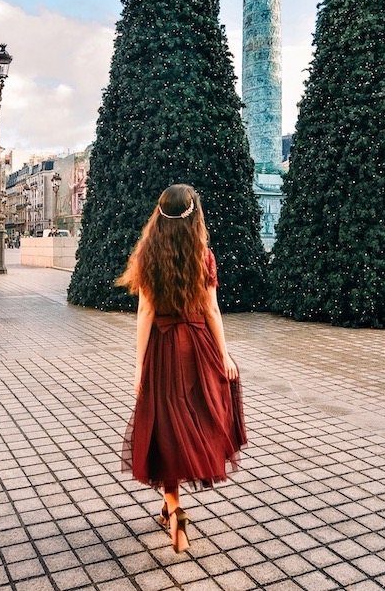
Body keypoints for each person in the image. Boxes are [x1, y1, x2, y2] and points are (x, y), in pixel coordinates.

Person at [118, 184, 246, 555]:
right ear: (195, 216)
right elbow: (212, 310)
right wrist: (224, 355)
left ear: (159, 214)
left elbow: (145, 313)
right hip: (198, 346)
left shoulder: (148, 255)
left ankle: (174, 510)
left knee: (165, 430)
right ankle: (171, 510)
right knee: (197, 421)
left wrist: (140, 367)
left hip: (162, 348)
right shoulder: (203, 255)